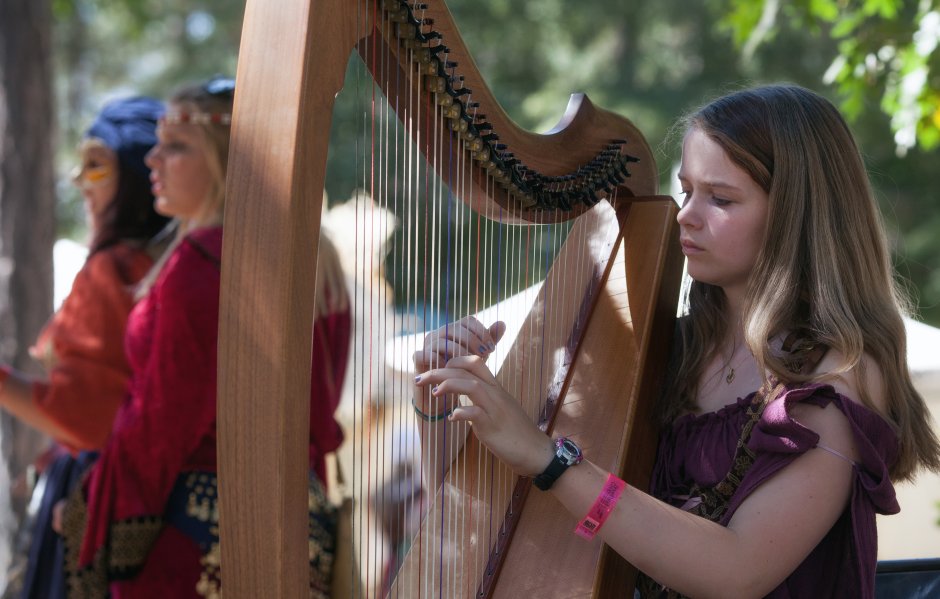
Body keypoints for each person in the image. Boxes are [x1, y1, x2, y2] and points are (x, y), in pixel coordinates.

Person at [412, 84, 940, 597]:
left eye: (721, 198)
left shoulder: (838, 375)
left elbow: (738, 569)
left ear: (794, 217)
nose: (685, 213)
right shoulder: (668, 352)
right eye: (687, 189)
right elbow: (489, 513)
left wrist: (549, 457)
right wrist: (448, 403)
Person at [58, 77, 351, 599]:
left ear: (225, 159)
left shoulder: (201, 264)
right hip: (299, 528)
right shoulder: (317, 260)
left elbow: (160, 426)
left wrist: (96, 514)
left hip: (195, 539)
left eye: (175, 147)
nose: (152, 160)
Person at [0, 95, 169, 599]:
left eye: (96, 166)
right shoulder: (170, 265)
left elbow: (83, 420)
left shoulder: (112, 270)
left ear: (139, 173)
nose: (79, 183)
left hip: (100, 499)